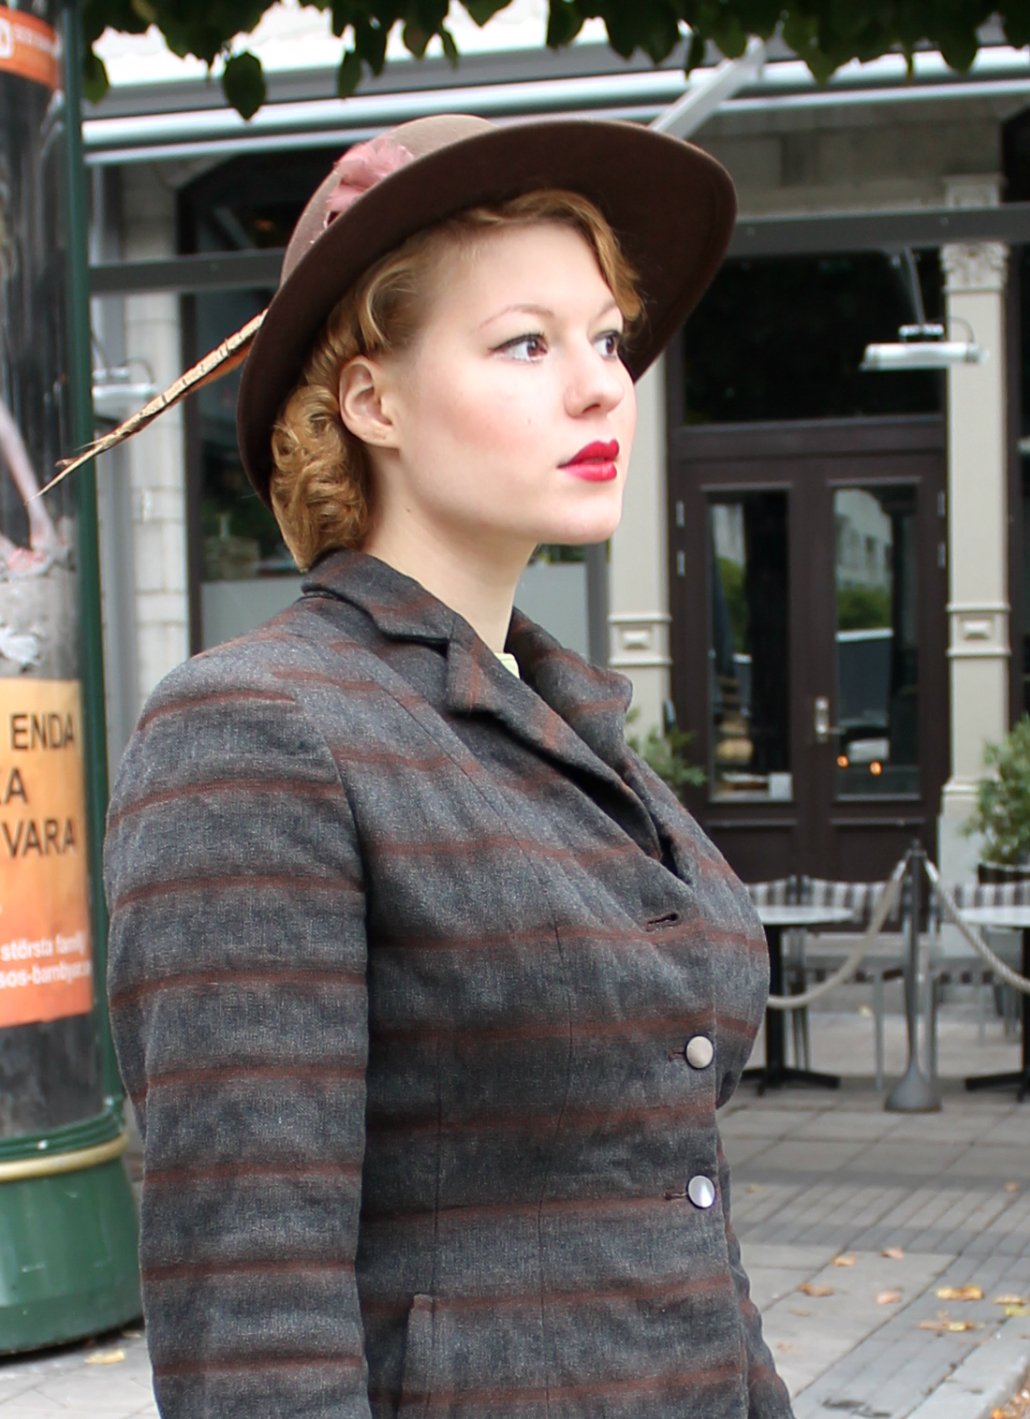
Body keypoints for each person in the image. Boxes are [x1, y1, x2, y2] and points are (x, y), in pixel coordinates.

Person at [104, 114, 793, 1419]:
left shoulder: (566, 725)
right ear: (372, 401)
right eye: (526, 343)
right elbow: (252, 1312)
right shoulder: (255, 730)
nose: (602, 387)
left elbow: (669, 1192)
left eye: (606, 339)